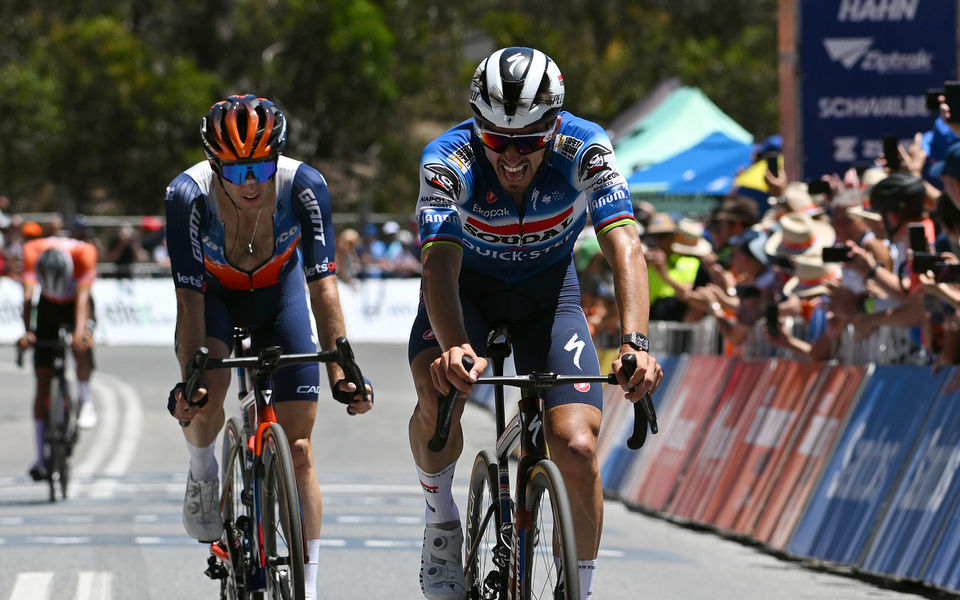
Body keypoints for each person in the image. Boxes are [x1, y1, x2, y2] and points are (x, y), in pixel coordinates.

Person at [406, 47, 662, 600]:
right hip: (463, 292)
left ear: (554, 126)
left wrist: (635, 343)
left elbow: (625, 242)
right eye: (496, 139)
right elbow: (438, 264)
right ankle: (441, 517)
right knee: (435, 392)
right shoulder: (447, 158)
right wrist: (453, 346)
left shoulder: (585, 146)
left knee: (576, 448)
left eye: (529, 140)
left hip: (548, 294)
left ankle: (582, 589)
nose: (512, 155)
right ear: (478, 127)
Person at [163, 94, 374, 600]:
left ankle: (311, 587)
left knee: (299, 448)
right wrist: (193, 379)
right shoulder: (186, 196)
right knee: (206, 394)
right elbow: (189, 301)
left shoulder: (304, 186)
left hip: (280, 292)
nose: (252, 182)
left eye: (261, 166)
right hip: (214, 297)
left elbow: (323, 284)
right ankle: (203, 471)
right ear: (215, 169)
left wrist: (343, 365)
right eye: (236, 173)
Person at [17, 236, 99, 480]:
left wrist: (80, 332)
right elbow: (28, 296)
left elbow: (83, 298)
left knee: (81, 345)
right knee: (42, 380)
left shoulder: (85, 254)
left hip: (77, 302)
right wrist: (28, 332)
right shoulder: (32, 251)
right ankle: (41, 459)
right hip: (49, 305)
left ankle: (85, 400)